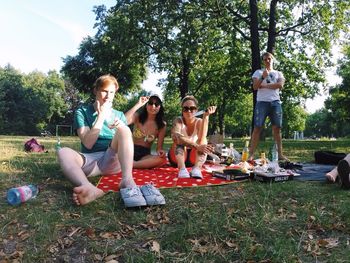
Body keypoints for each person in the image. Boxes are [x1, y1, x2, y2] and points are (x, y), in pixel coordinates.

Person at [57, 74, 165, 207]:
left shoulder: (118, 114)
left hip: (112, 159)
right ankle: (88, 188)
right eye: (104, 91)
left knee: (124, 129)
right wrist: (101, 115)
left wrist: (121, 124)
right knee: (63, 152)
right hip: (90, 161)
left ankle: (126, 180)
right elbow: (88, 144)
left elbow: (124, 134)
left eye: (112, 92)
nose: (108, 96)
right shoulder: (82, 112)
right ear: (95, 90)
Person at [249, 52, 288, 161]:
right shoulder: (258, 72)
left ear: (272, 59)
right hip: (261, 102)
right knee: (257, 127)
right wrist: (262, 77)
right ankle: (251, 154)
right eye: (265, 59)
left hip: (275, 102)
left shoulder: (278, 73)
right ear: (263, 60)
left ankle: (280, 154)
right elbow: (256, 86)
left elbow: (280, 85)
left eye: (269, 59)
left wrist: (264, 85)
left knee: (277, 128)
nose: (267, 61)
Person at [168, 95, 216, 179]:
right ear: (182, 110)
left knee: (203, 140)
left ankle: (197, 168)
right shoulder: (178, 121)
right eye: (185, 109)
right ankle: (182, 169)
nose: (189, 111)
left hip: (193, 157)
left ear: (196, 110)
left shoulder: (199, 121)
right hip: (178, 157)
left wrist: (206, 117)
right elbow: (176, 137)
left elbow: (202, 137)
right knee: (179, 140)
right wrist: (197, 146)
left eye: (192, 108)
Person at [125, 94, 167, 168]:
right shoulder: (138, 117)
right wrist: (138, 105)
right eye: (150, 103)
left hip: (145, 155)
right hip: (130, 150)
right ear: (146, 105)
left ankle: (132, 164)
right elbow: (124, 120)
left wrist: (161, 152)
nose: (153, 106)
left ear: (160, 107)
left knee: (162, 160)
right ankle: (135, 164)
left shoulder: (162, 125)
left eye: (156, 104)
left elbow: (159, 148)